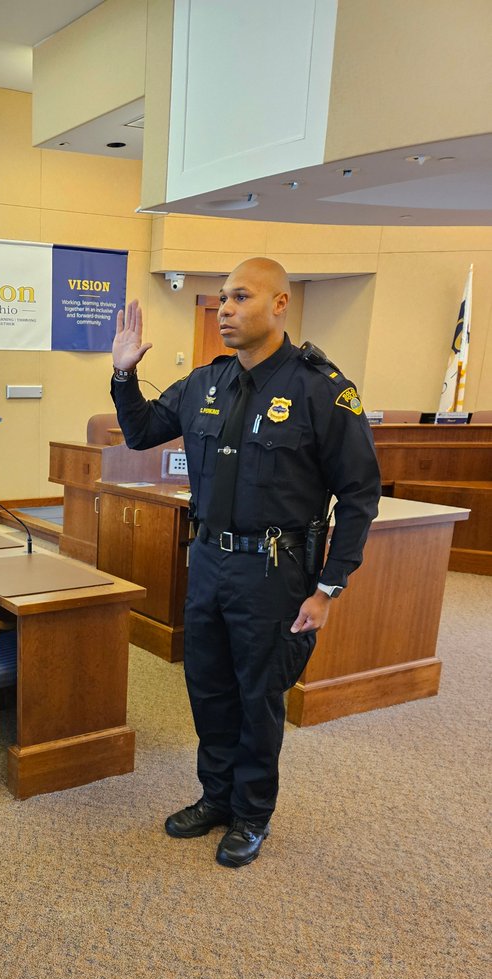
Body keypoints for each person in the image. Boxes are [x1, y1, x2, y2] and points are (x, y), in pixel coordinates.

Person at [110, 258, 381, 867]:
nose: (226, 310)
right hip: (208, 560)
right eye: (223, 299)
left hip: (275, 571)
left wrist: (329, 587)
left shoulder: (320, 389)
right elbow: (141, 431)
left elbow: (360, 494)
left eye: (240, 297)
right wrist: (124, 375)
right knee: (208, 687)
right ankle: (216, 796)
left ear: (280, 303)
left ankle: (252, 813)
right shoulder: (206, 383)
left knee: (258, 697)